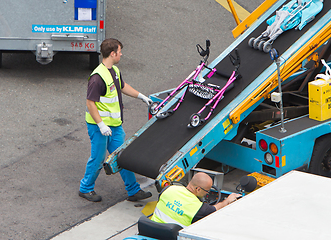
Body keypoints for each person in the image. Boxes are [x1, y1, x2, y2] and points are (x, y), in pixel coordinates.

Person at [79, 38, 153, 202]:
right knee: (98, 159)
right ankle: (85, 188)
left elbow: (122, 86)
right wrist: (101, 125)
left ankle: (133, 190)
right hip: (100, 127)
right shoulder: (97, 77)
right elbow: (90, 104)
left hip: (114, 126)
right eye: (119, 52)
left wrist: (141, 96)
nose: (121, 54)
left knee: (122, 157)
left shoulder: (114, 71)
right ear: (112, 54)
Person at [151, 172, 241, 227]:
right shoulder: (199, 208)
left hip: (150, 229)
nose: (207, 193)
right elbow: (216, 209)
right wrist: (228, 200)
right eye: (207, 191)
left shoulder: (168, 189)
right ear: (198, 189)